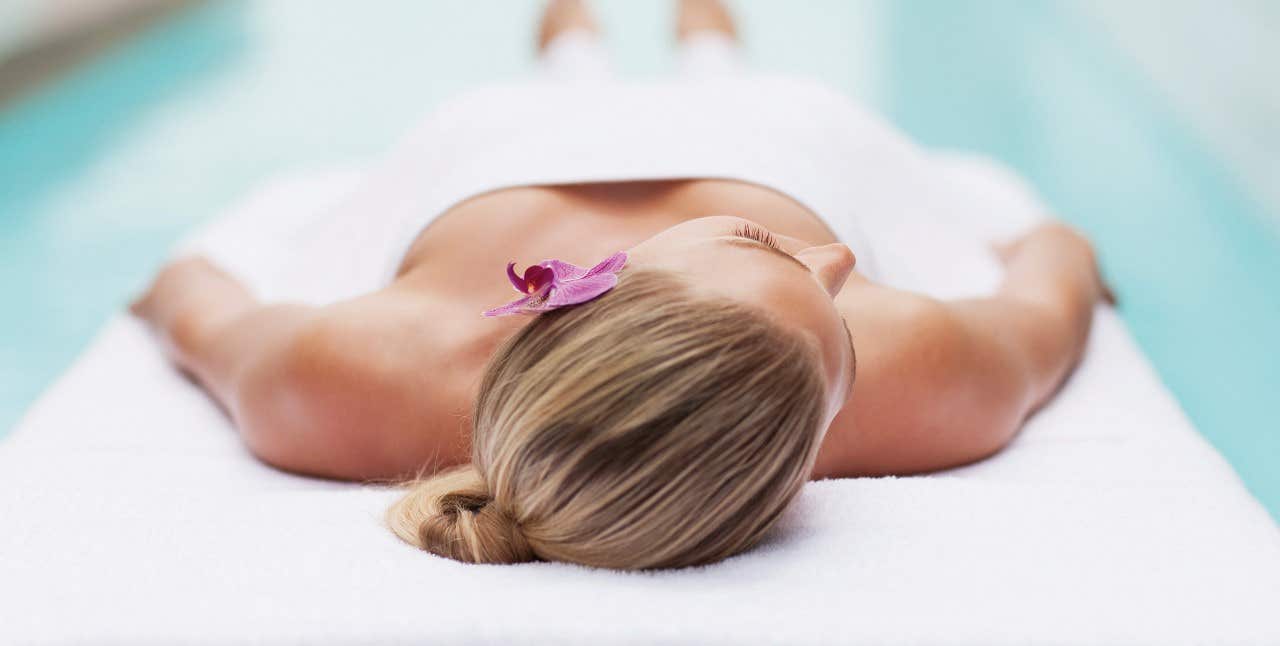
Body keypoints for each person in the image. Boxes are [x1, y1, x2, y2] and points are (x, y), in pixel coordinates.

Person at [131, 0, 1110, 570]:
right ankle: (708, 37)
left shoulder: (351, 378)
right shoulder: (914, 379)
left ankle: (572, 41)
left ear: (611, 278)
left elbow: (191, 298)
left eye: (771, 248)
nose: (838, 262)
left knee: (551, 90)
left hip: (496, 146)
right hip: (771, 137)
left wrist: (175, 290)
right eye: (842, 330)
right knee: (740, 88)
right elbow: (1052, 284)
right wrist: (1053, 240)